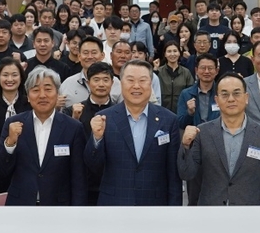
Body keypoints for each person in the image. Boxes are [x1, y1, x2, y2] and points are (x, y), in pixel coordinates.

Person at [85, 60, 182, 206]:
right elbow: (93, 166)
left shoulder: (168, 120)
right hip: (114, 203)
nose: (136, 86)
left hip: (155, 205)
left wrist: (174, 210)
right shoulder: (104, 118)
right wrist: (96, 139)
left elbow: (174, 174)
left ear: (151, 84)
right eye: (130, 80)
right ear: (120, 83)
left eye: (142, 80)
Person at [177, 72, 260, 206]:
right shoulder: (202, 133)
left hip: (250, 212)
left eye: (236, 93)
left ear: (246, 98)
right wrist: (185, 146)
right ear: (216, 100)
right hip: (211, 212)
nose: (231, 99)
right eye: (224, 94)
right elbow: (186, 173)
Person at [0, 67, 86, 206]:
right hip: (21, 204)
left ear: (57, 93)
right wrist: (11, 143)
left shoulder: (73, 127)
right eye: (36, 90)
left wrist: (78, 211)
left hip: (58, 206)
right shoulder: (13, 124)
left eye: (48, 89)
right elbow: (2, 170)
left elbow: (79, 177)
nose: (42, 95)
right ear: (28, 96)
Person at [65, 61, 116, 205]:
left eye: (105, 80)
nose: (101, 84)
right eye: (96, 80)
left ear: (112, 83)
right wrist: (74, 120)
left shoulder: (120, 113)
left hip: (110, 181)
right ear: (88, 83)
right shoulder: (73, 111)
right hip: (82, 181)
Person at [0, 57, 29, 165]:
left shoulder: (29, 103)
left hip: (25, 161)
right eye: (5, 75)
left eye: (14, 75)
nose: (10, 79)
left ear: (21, 77)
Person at [60, 36, 121, 106]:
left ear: (102, 55)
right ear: (79, 56)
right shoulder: (67, 84)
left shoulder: (116, 84)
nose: (90, 57)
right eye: (86, 53)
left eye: (94, 52)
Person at [177, 54, 220, 130]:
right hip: (195, 136)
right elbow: (180, 123)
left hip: (217, 135)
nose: (206, 71)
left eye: (210, 68)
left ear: (216, 71)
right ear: (196, 70)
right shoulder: (186, 94)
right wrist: (190, 113)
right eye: (203, 68)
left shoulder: (222, 94)